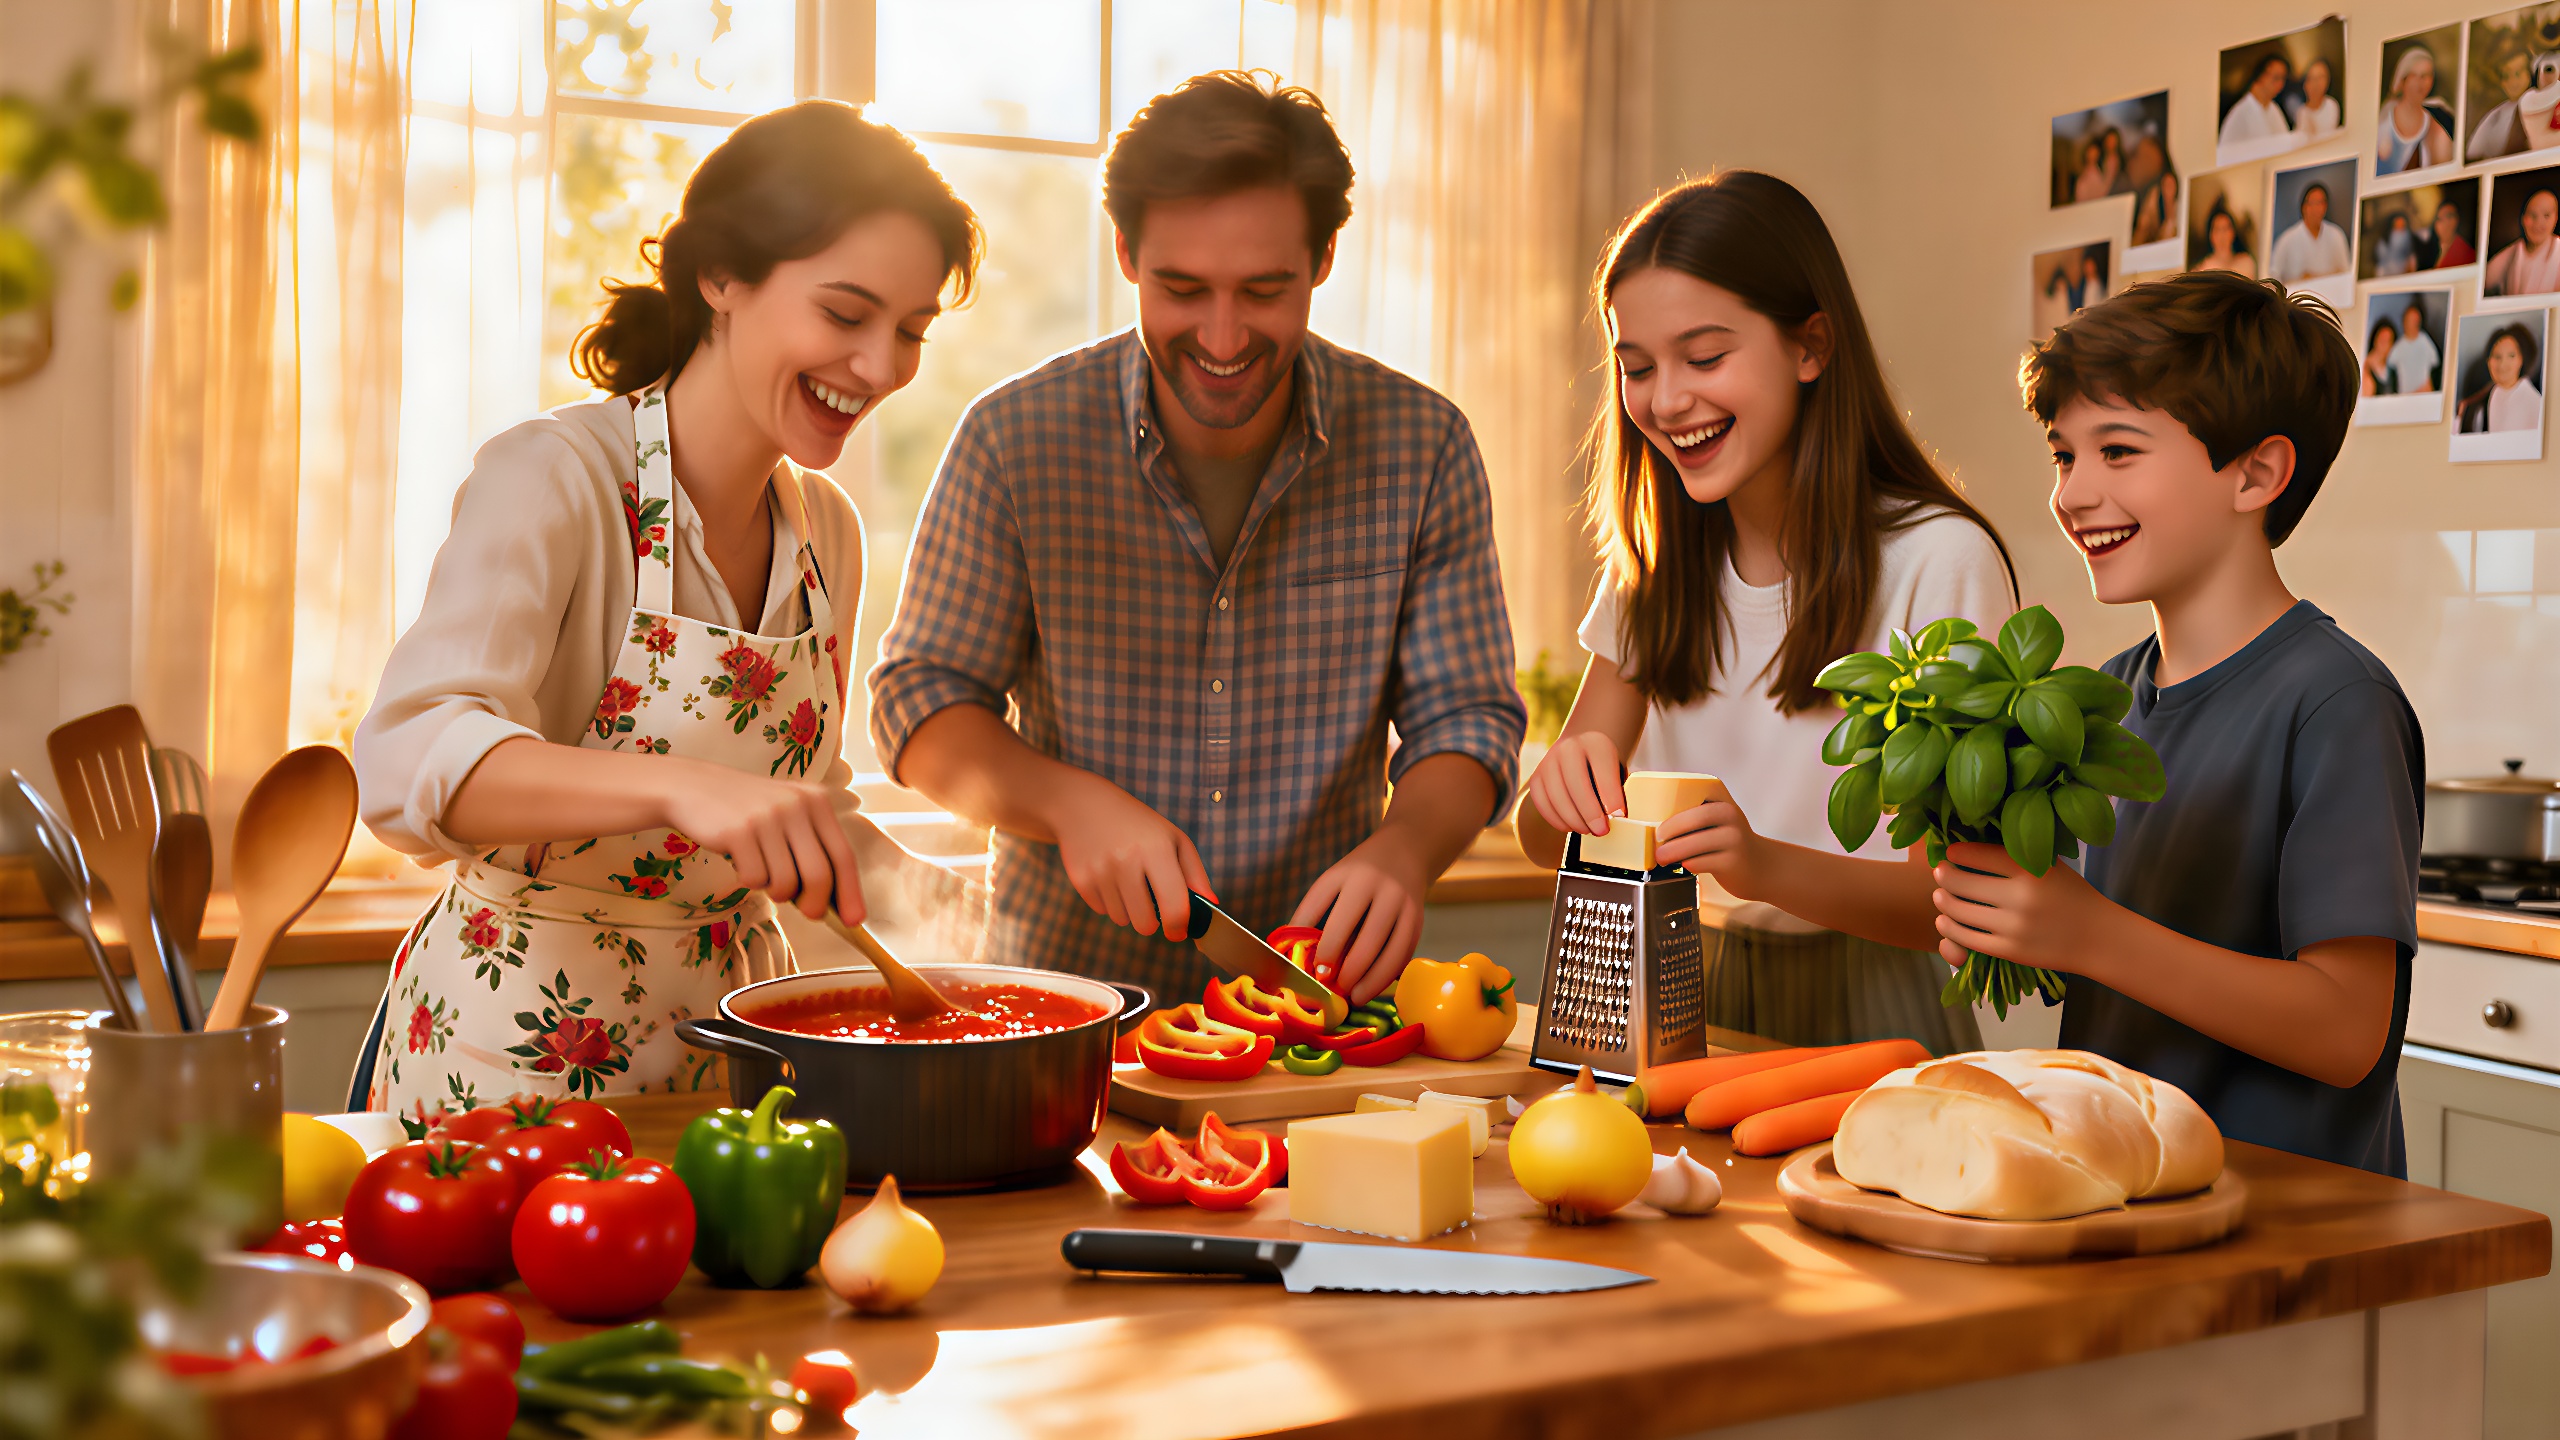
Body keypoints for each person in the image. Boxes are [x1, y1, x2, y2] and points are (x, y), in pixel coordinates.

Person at [352, 103, 984, 1116]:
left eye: (909, 332)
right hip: (514, 1066)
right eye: (844, 313)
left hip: (737, 1058)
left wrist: (974, 908)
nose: (878, 368)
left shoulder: (825, 527)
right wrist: (680, 790)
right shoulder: (556, 477)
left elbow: (802, 812)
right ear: (720, 278)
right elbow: (406, 759)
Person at [868, 72, 1525, 1004]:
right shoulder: (1015, 440)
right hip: (1060, 1005)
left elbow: (1467, 717)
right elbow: (919, 703)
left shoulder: (1422, 445)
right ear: (1129, 254)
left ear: (1324, 259)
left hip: (1312, 1004)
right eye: (1183, 289)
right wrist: (1067, 804)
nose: (1223, 337)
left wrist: (1406, 850)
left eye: (1264, 290)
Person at [1517, 172, 2015, 1056]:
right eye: (1636, 368)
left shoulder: (1938, 561)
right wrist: (1562, 783)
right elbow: (1539, 836)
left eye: (1704, 358)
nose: (1665, 401)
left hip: (1875, 1004)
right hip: (1676, 992)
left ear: (1811, 347)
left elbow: (1953, 895)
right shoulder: (1654, 571)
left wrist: (1759, 865)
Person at [1937, 271, 2421, 1176]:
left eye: (2118, 451)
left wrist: (2090, 935)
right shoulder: (2102, 699)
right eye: (2063, 455)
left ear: (2257, 473)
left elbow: (2347, 1029)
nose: (2072, 494)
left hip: (2294, 1235)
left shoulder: (2336, 702)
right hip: (2128, 1196)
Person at [2377, 45, 2455, 174]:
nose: (2420, 82)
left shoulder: (2435, 127)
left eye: (2426, 76)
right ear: (2402, 79)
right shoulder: (2386, 113)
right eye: (2414, 76)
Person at [2459, 323, 2544, 434]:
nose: (2503, 364)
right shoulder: (2475, 404)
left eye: (2511, 356)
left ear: (2522, 359)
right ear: (2488, 361)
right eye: (2497, 356)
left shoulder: (2536, 404)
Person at [2484, 186, 2560, 298]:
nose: (2539, 223)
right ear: (2523, 218)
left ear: (2555, 218)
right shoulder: (2511, 253)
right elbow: (2483, 282)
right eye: (2533, 215)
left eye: (2546, 215)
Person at [2269, 182, 2350, 286]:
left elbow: (2346, 273)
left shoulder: (2336, 234)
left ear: (2325, 207)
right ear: (2304, 207)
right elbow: (2274, 276)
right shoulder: (2287, 239)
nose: (2316, 208)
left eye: (2320, 203)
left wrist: (2313, 278)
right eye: (2313, 203)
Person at [2219, 53, 2296, 160]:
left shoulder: (2274, 109)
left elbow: (2286, 146)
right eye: (2276, 78)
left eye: (2283, 79)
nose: (2279, 84)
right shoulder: (2240, 113)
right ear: (2261, 75)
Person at [2387, 302, 2441, 395]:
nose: (2413, 324)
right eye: (2410, 320)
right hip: (2405, 397)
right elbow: (2388, 368)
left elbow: (2435, 363)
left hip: (2424, 394)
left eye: (2415, 320)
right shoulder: (2397, 347)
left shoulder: (2425, 341)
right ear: (2404, 322)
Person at [2290, 56, 2343, 142]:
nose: (2316, 84)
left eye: (2321, 78)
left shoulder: (2331, 105)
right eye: (2312, 78)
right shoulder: (2302, 112)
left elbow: (2326, 138)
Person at [2194, 204, 2256, 278]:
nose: (2222, 235)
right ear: (2210, 235)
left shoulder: (2246, 263)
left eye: (2225, 229)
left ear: (2233, 232)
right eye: (2217, 229)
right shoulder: (2201, 270)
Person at [2131, 170, 2180, 248]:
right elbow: (2144, 220)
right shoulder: (2155, 196)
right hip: (2151, 239)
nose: (2168, 188)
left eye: (2171, 185)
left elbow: (2171, 232)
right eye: (2165, 184)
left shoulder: (2179, 206)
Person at [2430, 199, 2477, 268]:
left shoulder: (2467, 254)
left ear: (2457, 220)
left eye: (2449, 217)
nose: (2445, 224)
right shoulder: (2433, 251)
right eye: (2439, 219)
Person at [2372, 213, 2417, 277]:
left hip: (2402, 266)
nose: (2399, 224)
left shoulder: (2408, 236)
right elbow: (2380, 252)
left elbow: (2410, 251)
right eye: (2397, 222)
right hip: (2387, 265)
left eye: (2401, 222)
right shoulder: (2387, 236)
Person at [2361, 323, 2396, 397]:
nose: (2383, 343)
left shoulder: (2393, 371)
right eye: (2381, 338)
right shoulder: (2364, 367)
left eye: (2388, 340)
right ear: (2375, 339)